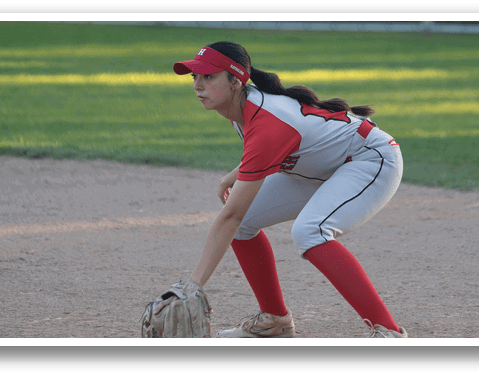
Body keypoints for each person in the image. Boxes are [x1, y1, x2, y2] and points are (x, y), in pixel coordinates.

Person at [172, 41, 406, 338]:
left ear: (235, 80)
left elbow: (230, 214)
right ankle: (275, 321)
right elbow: (283, 144)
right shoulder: (242, 107)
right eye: (195, 77)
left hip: (369, 159)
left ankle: (388, 331)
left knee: (309, 231)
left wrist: (194, 286)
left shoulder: (265, 117)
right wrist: (238, 172)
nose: (198, 85)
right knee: (244, 224)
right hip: (319, 167)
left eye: (209, 77)